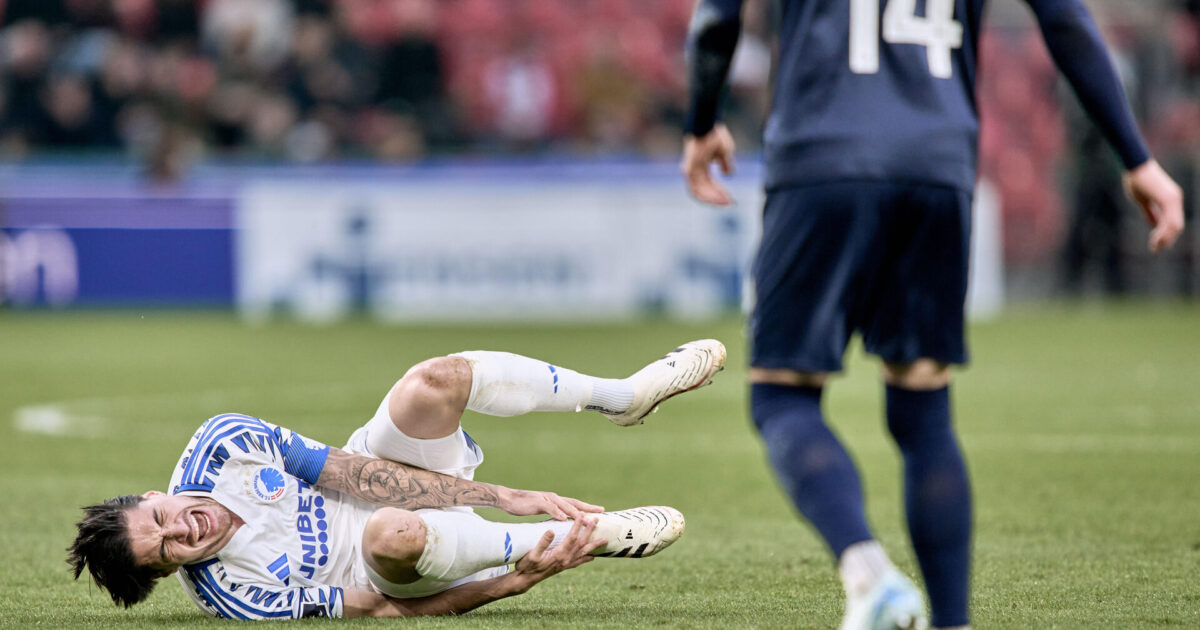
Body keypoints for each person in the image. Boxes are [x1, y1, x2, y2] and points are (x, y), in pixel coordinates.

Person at [679, 2, 1185, 630]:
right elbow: (1065, 20)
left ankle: (869, 576)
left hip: (823, 155)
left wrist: (701, 122)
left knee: (781, 398)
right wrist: (1137, 159)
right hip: (939, 166)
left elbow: (716, 18)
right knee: (923, 409)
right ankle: (953, 622)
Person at [68, 339, 727, 619]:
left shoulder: (222, 445)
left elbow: (353, 472)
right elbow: (385, 610)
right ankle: (588, 535)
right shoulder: (234, 594)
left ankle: (622, 396)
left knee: (433, 380)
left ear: (154, 496)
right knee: (389, 532)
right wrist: (513, 584)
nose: (182, 531)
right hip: (400, 563)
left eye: (161, 519)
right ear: (172, 573)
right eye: (169, 551)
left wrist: (500, 495)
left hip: (383, 476)